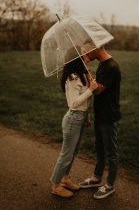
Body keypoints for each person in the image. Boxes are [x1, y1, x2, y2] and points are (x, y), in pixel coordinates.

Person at [50, 48, 98, 198]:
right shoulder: (72, 77)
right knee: (66, 154)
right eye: (83, 52)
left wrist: (86, 116)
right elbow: (73, 103)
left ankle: (65, 178)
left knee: (73, 152)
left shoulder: (81, 74)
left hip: (80, 117)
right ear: (77, 57)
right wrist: (90, 89)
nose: (87, 53)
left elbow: (83, 102)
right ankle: (56, 186)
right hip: (72, 119)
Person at [79, 46, 121, 199]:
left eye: (86, 50)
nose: (85, 53)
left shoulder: (111, 67)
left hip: (109, 116)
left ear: (96, 48)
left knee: (110, 151)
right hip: (100, 114)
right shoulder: (102, 64)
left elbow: (96, 90)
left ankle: (109, 185)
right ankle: (96, 178)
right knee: (100, 148)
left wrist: (85, 68)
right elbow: (94, 85)